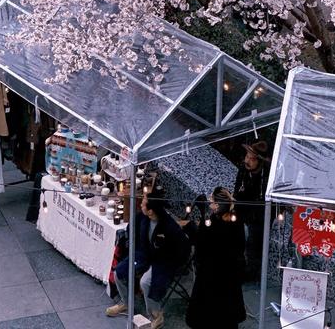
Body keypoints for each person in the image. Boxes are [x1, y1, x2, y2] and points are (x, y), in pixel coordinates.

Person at [107, 189, 190, 328]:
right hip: (144, 254)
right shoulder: (142, 218)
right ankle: (126, 303)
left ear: (151, 211)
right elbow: (130, 230)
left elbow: (183, 249)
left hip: (163, 261)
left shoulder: (170, 227)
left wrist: (172, 264)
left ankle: (156, 316)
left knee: (146, 282)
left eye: (144, 204)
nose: (141, 205)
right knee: (119, 272)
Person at [185, 187, 246, 329]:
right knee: (227, 314)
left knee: (209, 313)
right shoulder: (236, 222)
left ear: (217, 205)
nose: (209, 203)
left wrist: (192, 228)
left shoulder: (211, 223)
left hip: (211, 273)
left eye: (211, 201)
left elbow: (200, 244)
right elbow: (240, 247)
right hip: (230, 274)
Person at [234, 139, 270, 279]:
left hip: (259, 213)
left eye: (251, 159)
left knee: (254, 240)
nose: (247, 161)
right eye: (247, 157)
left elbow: (264, 201)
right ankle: (238, 266)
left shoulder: (265, 176)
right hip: (242, 208)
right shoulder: (243, 170)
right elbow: (237, 191)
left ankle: (252, 272)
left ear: (259, 161)